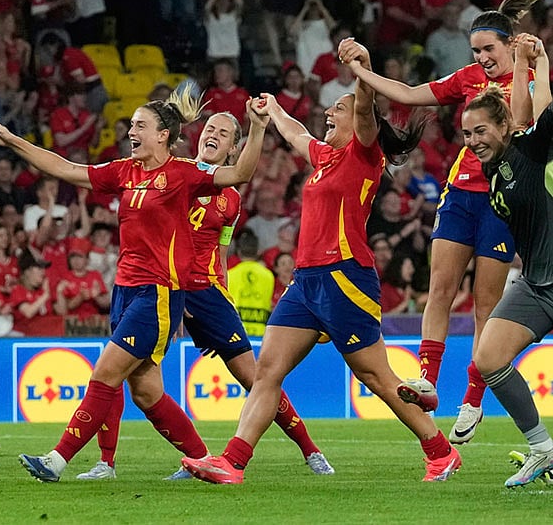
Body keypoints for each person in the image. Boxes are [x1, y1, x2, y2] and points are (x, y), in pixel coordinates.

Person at [181, 72, 462, 484]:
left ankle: (440, 452)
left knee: (376, 377)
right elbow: (296, 133)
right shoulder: (325, 158)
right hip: (307, 281)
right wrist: (273, 109)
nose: (328, 111)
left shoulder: (365, 154)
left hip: (345, 277)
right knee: (267, 372)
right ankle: (233, 463)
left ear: (360, 124)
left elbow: (364, 107)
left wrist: (361, 69)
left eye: (338, 109)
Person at [0, 88, 269, 482]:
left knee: (104, 373)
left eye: (140, 125)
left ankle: (56, 460)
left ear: (162, 135)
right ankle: (203, 459)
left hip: (158, 293)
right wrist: (12, 140)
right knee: (146, 393)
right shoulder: (124, 171)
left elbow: (239, 174)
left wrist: (256, 129)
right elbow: (64, 168)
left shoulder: (186, 175)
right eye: (132, 125)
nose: (130, 131)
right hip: (123, 291)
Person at [337, 0, 544, 444]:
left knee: (486, 304)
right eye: (474, 51)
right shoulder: (469, 80)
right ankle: (427, 380)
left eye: (488, 49)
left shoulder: (529, 83)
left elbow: (531, 128)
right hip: (459, 195)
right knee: (441, 290)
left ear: (510, 44)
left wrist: (536, 63)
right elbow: (409, 95)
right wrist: (361, 70)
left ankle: (473, 397)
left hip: (501, 199)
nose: (481, 59)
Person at [74, 111, 332, 482]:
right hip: (163, 286)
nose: (213, 134)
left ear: (232, 149)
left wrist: (220, 301)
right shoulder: (176, 174)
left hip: (207, 292)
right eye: (209, 128)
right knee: (120, 367)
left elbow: (221, 254)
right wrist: (173, 304)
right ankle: (108, 462)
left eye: (223, 133)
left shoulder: (229, 199)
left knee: (256, 377)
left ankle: (310, 449)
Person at [471, 37, 553, 487]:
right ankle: (542, 448)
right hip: (537, 284)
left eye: (480, 131)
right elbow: (520, 118)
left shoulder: (535, 147)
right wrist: (522, 62)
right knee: (488, 356)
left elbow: (534, 115)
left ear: (502, 126)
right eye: (467, 134)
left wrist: (532, 62)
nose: (472, 141)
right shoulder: (496, 167)